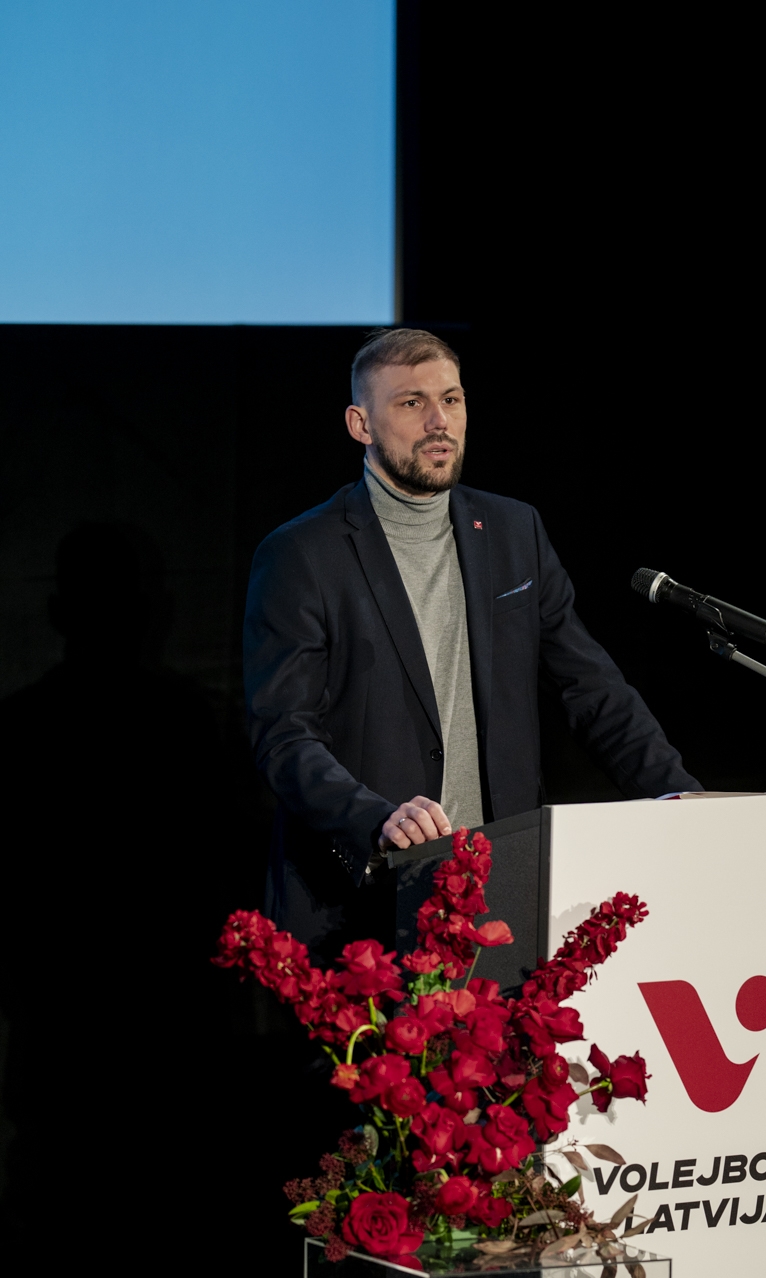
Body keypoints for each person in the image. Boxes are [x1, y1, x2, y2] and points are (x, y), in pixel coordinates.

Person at [243, 327, 700, 957]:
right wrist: (375, 817)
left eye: (451, 400)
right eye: (412, 402)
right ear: (360, 424)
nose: (439, 421)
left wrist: (681, 797)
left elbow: (590, 688)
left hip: (499, 895)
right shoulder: (302, 554)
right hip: (365, 909)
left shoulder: (513, 530)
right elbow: (284, 735)